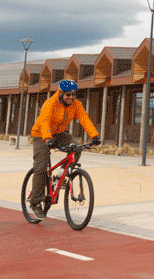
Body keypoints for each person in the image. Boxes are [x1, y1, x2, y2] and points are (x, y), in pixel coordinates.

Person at [28, 79, 100, 220]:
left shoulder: (76, 105)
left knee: (77, 148)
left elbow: (84, 119)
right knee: (41, 168)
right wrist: (47, 139)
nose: (71, 98)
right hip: (41, 134)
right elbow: (44, 121)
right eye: (68, 95)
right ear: (61, 93)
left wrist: (95, 135)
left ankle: (61, 175)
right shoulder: (50, 103)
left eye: (73, 95)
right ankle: (35, 202)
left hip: (60, 134)